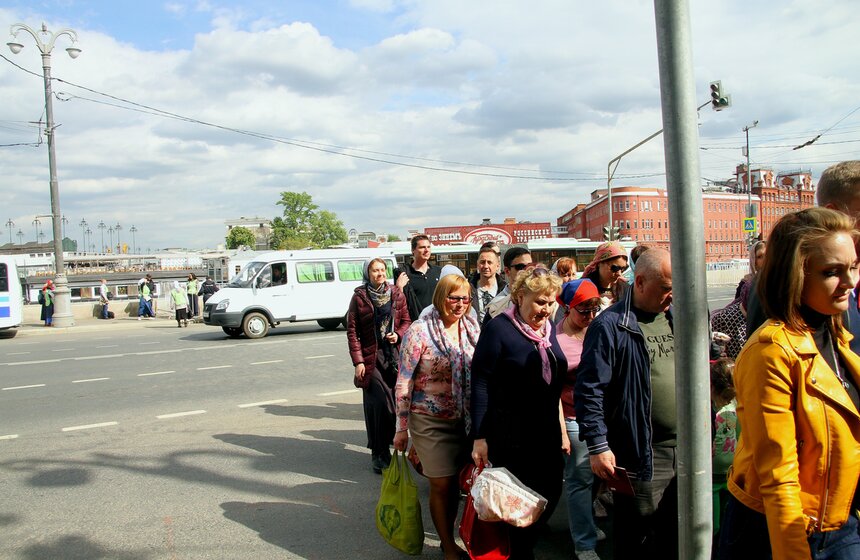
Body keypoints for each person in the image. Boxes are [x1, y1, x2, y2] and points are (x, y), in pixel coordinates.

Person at [720, 207, 860, 560]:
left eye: (853, 266)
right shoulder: (771, 351)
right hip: (780, 532)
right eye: (832, 272)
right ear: (796, 274)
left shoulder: (836, 334)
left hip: (840, 522)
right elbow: (779, 477)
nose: (850, 282)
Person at [575, 248, 677, 560]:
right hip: (640, 453)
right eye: (665, 288)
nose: (671, 296)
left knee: (675, 534)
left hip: (687, 449)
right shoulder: (611, 325)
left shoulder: (678, 317)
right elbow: (590, 389)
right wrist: (598, 445)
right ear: (641, 282)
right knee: (638, 539)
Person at [471, 267, 567, 558]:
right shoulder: (499, 329)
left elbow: (554, 388)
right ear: (520, 296)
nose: (547, 309)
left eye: (551, 302)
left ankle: (524, 547)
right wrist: (480, 437)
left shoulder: (548, 332)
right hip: (511, 439)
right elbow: (481, 382)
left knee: (549, 496)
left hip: (547, 436)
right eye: (540, 302)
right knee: (518, 508)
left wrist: (562, 429)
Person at [393, 272, 479, 560]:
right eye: (454, 298)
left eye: (465, 298)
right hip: (428, 420)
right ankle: (448, 544)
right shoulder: (420, 331)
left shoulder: (471, 327)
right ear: (441, 298)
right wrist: (401, 428)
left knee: (456, 483)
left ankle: (448, 537)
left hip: (464, 418)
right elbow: (404, 380)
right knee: (441, 483)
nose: (460, 304)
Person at [346, 258, 411, 474]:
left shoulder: (396, 294)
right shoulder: (359, 297)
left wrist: (398, 334)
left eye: (382, 270)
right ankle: (379, 453)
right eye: (375, 270)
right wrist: (358, 362)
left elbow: (407, 322)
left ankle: (387, 445)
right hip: (371, 358)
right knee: (378, 406)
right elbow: (353, 331)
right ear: (368, 273)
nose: (380, 273)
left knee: (393, 407)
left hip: (393, 358)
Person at [555, 278, 604, 560]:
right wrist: (562, 430)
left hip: (600, 414)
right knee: (580, 478)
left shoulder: (598, 329)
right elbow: (552, 390)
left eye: (594, 309)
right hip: (573, 416)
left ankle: (586, 522)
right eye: (583, 310)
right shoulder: (556, 340)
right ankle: (584, 543)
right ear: (567, 308)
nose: (589, 316)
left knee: (599, 474)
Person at [710, 357, 736, 548]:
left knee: (728, 523)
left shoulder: (736, 404)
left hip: (731, 476)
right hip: (711, 480)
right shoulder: (708, 407)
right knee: (714, 525)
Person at [396, 234, 442, 320]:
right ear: (413, 250)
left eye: (428, 247)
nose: (426, 250)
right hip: (416, 324)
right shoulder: (404, 274)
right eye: (422, 247)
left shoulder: (439, 271)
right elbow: (398, 304)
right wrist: (399, 288)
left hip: (437, 322)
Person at [484, 246, 533, 322]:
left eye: (530, 266)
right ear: (507, 271)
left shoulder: (541, 299)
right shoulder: (497, 306)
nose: (527, 270)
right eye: (520, 267)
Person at [580, 241, 630, 312]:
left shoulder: (625, 289)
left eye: (623, 269)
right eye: (615, 268)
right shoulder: (583, 288)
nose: (619, 273)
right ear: (600, 263)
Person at [469, 244, 506, 323]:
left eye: (489, 262)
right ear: (477, 264)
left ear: (497, 265)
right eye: (482, 262)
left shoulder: (506, 290)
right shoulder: (468, 289)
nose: (486, 266)